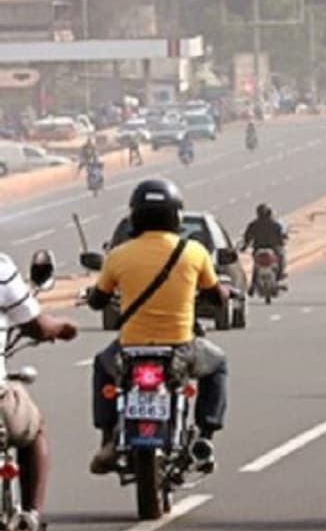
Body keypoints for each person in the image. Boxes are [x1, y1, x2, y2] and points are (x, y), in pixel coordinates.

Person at [87, 179, 230, 474]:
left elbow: (97, 300)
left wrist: (98, 295)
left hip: (129, 349)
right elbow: (217, 296)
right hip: (181, 347)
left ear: (135, 216)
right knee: (217, 365)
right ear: (176, 216)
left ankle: (107, 440)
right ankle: (205, 436)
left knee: (102, 367)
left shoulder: (118, 255)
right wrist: (223, 294)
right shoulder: (194, 252)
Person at [0, 252, 78, 531]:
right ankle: (31, 515)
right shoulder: (2, 267)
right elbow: (37, 326)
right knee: (34, 429)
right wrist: (63, 327)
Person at [242, 204, 289, 282]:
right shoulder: (275, 224)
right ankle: (280, 274)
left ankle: (253, 284)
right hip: (272, 248)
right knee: (281, 256)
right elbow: (281, 236)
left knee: (256, 264)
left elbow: (247, 237)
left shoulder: (253, 225)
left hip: (259, 248)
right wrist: (282, 242)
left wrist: (245, 246)